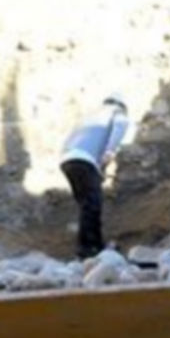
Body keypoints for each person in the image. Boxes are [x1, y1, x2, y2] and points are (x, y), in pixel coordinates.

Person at [60, 93, 130, 259]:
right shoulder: (117, 113)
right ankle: (90, 248)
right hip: (85, 160)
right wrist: (109, 152)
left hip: (67, 160)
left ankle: (90, 246)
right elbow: (119, 128)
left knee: (86, 205)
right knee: (93, 205)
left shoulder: (90, 116)